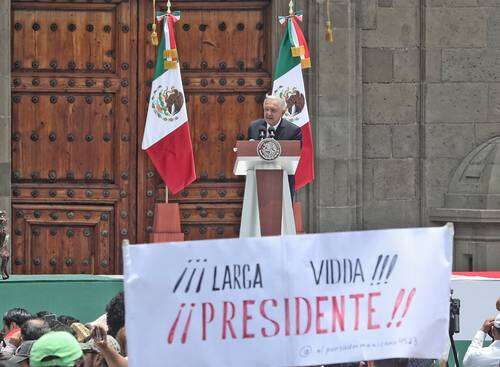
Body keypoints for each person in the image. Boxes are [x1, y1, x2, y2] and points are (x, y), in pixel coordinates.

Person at [247, 94, 302, 197]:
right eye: (266, 109)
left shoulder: (293, 131)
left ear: (283, 111)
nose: (268, 113)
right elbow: (247, 155)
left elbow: (294, 158)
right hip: (257, 180)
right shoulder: (254, 127)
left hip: (283, 182)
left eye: (273, 110)